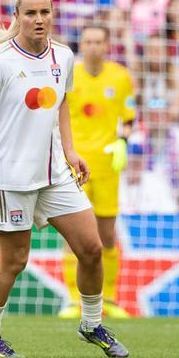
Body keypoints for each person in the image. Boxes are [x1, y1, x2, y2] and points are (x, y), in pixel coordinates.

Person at [0, 0, 128, 358]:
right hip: (10, 177)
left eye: (45, 12)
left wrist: (70, 150)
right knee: (14, 261)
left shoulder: (64, 56)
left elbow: (62, 104)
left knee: (91, 248)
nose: (39, 19)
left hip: (54, 173)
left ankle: (91, 325)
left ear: (53, 13)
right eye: (31, 13)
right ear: (17, 17)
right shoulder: (0, 61)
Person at [58, 24, 135, 319]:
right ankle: (72, 299)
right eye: (88, 41)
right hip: (73, 164)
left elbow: (129, 117)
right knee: (72, 234)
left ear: (107, 44)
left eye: (98, 41)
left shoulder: (121, 77)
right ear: (82, 45)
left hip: (106, 166)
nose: (93, 46)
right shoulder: (69, 75)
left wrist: (122, 142)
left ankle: (111, 298)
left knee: (106, 234)